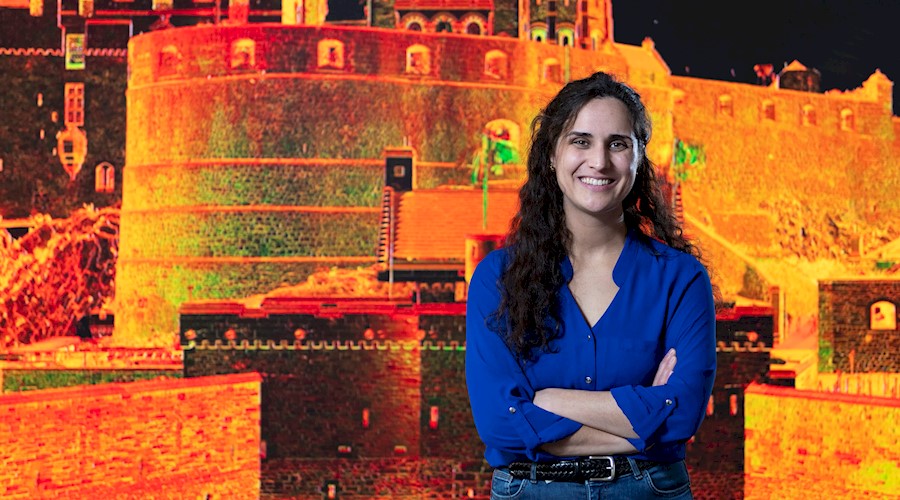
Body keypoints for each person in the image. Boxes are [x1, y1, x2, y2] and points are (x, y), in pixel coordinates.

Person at [465, 71, 717, 499]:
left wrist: (546, 402)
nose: (599, 161)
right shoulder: (497, 278)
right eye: (580, 141)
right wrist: (644, 418)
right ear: (551, 155)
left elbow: (683, 415)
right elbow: (497, 422)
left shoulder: (681, 279)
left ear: (638, 160)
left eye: (617, 143)